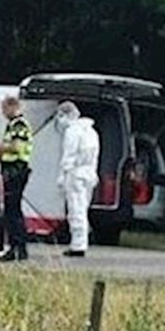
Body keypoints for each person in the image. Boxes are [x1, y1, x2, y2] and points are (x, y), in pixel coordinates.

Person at [55, 101, 100, 258]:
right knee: (83, 209)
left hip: (75, 174)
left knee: (76, 210)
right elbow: (95, 157)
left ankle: (78, 245)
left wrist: (62, 175)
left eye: (61, 116)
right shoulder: (91, 131)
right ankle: (81, 242)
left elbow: (69, 155)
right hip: (89, 174)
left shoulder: (72, 132)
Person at [0, 96, 33, 262]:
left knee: (13, 211)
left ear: (11, 107)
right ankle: (17, 248)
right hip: (13, 170)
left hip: (15, 170)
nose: (3, 113)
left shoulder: (19, 124)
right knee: (12, 210)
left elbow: (17, 147)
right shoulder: (13, 124)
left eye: (4, 109)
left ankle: (17, 247)